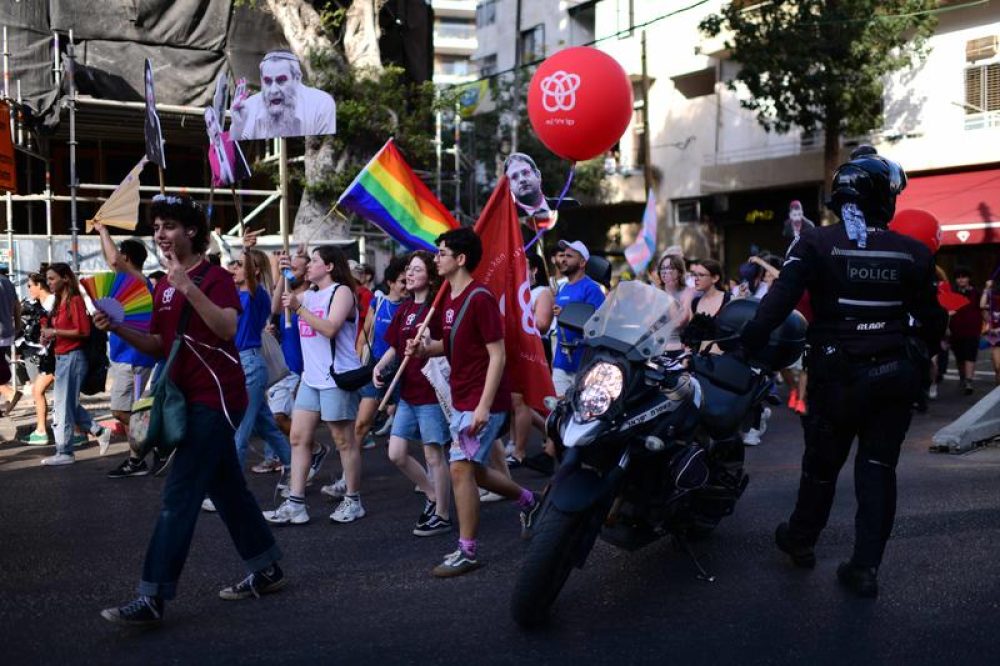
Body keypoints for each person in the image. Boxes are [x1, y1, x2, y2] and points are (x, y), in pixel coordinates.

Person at [740, 152, 947, 598]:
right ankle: (864, 568)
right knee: (878, 470)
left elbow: (776, 303)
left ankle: (801, 539)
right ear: (884, 198)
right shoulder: (913, 252)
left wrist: (746, 344)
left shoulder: (814, 243)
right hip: (893, 378)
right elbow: (934, 321)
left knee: (821, 466)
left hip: (836, 378)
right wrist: (915, 353)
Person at [99, 194, 285, 628]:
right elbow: (158, 345)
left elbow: (226, 327)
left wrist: (187, 286)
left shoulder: (214, 276)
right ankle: (266, 566)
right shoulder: (162, 285)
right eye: (156, 228)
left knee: (178, 496)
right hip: (184, 397)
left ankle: (151, 597)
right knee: (227, 489)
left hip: (217, 397)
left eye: (169, 226)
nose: (161, 235)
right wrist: (118, 326)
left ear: (192, 232)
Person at [408, 227, 541, 578]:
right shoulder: (448, 298)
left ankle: (467, 551)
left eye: (442, 253)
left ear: (461, 259)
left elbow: (498, 355)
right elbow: (451, 345)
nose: (436, 258)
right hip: (461, 396)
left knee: (460, 469)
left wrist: (483, 406)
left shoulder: (480, 298)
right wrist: (425, 349)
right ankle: (531, 501)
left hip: (483, 400)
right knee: (475, 471)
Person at [264, 246, 365, 525]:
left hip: (336, 377)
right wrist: (282, 274)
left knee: (343, 441)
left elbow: (330, 328)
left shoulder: (342, 292)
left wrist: (299, 308)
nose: (308, 265)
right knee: (298, 438)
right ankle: (295, 503)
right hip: (311, 378)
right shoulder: (309, 294)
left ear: (329, 266)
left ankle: (353, 500)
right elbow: (276, 308)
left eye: (314, 261)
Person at [372, 251, 453, 537]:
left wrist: (429, 343)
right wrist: (379, 366)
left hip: (430, 392)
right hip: (407, 392)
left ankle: (442, 515)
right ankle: (432, 495)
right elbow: (395, 346)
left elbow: (447, 343)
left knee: (434, 455)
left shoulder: (437, 308)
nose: (409, 273)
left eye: (417, 269)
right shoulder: (405, 308)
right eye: (408, 269)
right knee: (396, 453)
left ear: (430, 278)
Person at [92, 224, 159, 476]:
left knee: (123, 411)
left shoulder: (139, 281)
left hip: (135, 359)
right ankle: (136, 460)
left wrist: (103, 230)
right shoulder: (129, 281)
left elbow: (113, 260)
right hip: (126, 358)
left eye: (120, 254)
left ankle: (154, 441)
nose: (114, 259)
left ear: (127, 258)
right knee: (130, 411)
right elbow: (112, 260)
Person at [37, 263, 112, 466]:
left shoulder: (75, 300)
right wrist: (48, 336)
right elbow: (62, 329)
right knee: (66, 403)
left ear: (65, 278)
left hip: (73, 357)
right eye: (48, 279)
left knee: (63, 406)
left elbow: (83, 331)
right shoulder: (59, 302)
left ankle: (65, 451)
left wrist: (55, 332)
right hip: (62, 357)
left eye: (52, 278)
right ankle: (98, 430)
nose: (49, 283)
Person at [229, 248, 292, 475]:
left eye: (239, 264)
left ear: (254, 270)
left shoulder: (256, 295)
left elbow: (254, 284)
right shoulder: (236, 295)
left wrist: (246, 251)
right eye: (234, 263)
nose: (233, 268)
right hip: (240, 364)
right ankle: (297, 469)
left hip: (250, 365)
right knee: (267, 427)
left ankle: (230, 487)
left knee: (240, 431)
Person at [354, 256, 407, 450]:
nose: (407, 285)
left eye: (409, 280)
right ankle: (349, 466)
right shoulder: (378, 303)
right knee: (361, 424)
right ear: (390, 283)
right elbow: (364, 335)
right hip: (375, 367)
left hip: (403, 372)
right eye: (402, 281)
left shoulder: (411, 307)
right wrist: (358, 364)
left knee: (405, 432)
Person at [230, 50, 336, 140]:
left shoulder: (321, 105)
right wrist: (238, 126)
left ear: (297, 79)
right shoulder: (250, 107)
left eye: (281, 80)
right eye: (267, 81)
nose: (273, 90)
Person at [551, 240, 606, 397]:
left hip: (584, 363)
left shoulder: (593, 289)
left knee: (581, 409)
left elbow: (598, 324)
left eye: (569, 256)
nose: (563, 259)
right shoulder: (562, 288)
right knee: (559, 407)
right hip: (561, 363)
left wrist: (566, 314)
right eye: (563, 255)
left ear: (582, 262)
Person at [18, 273, 55, 444]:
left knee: (59, 394)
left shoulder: (52, 302)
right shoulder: (40, 303)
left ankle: (92, 429)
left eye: (30, 286)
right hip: (48, 355)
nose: (29, 289)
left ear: (39, 285)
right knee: (38, 390)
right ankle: (41, 431)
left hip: (58, 356)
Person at [949, 266, 980, 395]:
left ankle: (969, 381)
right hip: (955, 330)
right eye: (958, 277)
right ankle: (963, 377)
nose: (961, 280)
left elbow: (982, 308)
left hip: (972, 329)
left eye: (964, 277)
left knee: (970, 355)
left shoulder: (976, 293)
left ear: (969, 278)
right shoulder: (952, 293)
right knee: (960, 356)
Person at [0, 263, 21, 414]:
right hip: (7, 333)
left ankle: (9, 393)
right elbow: (17, 306)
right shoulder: (7, 282)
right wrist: (18, 325)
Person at [981, 276, 1000, 386]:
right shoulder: (993, 299)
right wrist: (987, 288)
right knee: (997, 367)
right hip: (996, 338)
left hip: (997, 332)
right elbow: (982, 305)